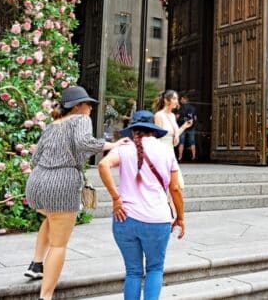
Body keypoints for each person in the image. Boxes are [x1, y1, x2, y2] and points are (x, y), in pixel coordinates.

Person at [24, 86, 130, 300]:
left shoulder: (53, 125)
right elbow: (83, 143)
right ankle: (45, 296)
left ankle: (36, 263)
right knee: (59, 244)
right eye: (87, 103)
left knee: (52, 218)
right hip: (62, 184)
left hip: (36, 184)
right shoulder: (81, 119)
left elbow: (34, 159)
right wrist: (113, 144)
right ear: (78, 106)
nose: (90, 107)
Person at [98, 110, 186, 300]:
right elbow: (176, 188)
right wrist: (180, 217)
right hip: (157, 220)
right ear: (153, 130)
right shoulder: (165, 150)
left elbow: (103, 165)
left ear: (133, 130)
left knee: (133, 272)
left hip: (125, 218)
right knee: (155, 269)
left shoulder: (123, 147)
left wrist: (116, 198)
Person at [177, 95, 198, 161]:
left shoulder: (181, 108)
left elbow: (177, 117)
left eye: (181, 99)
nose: (180, 101)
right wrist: (192, 123)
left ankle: (180, 157)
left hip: (182, 127)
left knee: (181, 142)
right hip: (191, 127)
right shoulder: (193, 108)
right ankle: (194, 156)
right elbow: (195, 118)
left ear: (185, 100)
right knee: (192, 142)